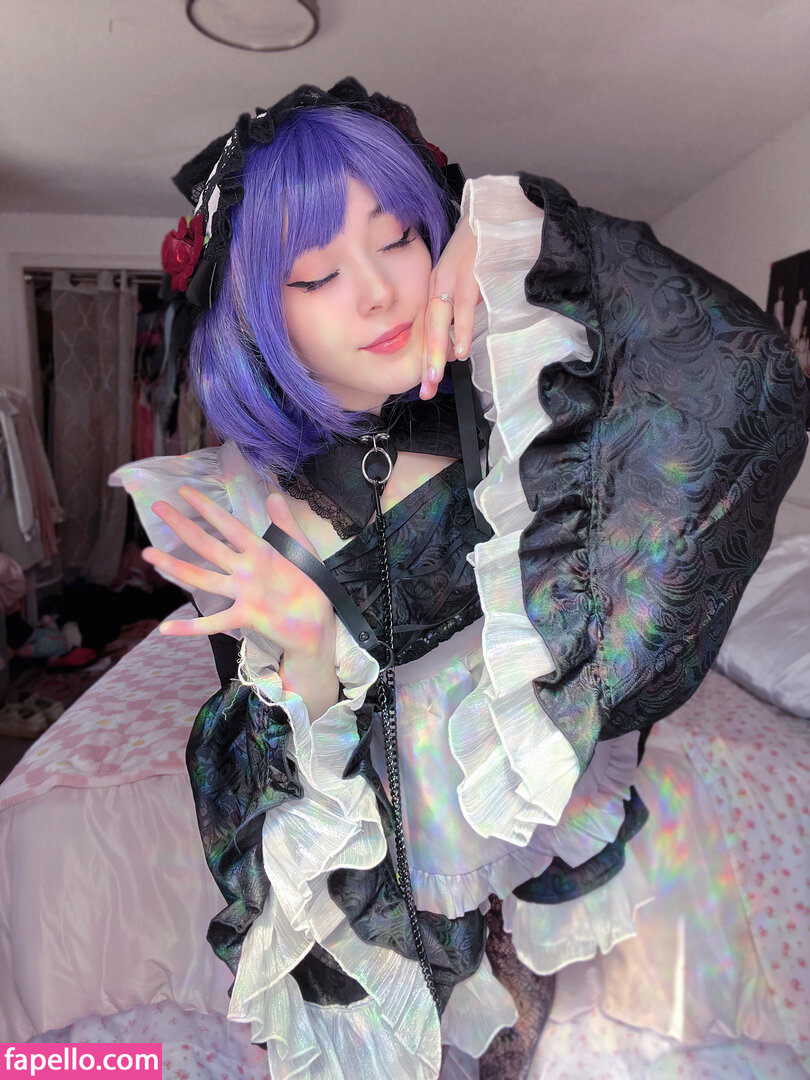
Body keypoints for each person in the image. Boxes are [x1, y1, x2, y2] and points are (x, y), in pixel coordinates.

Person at [113, 80, 808, 1080]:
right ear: (262, 322)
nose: (379, 291)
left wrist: (539, 236)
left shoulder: (520, 398)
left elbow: (747, 392)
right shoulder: (237, 502)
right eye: (316, 274)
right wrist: (307, 645)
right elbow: (275, 809)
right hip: (393, 848)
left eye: (397, 237)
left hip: (523, 804)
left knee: (514, 1031)